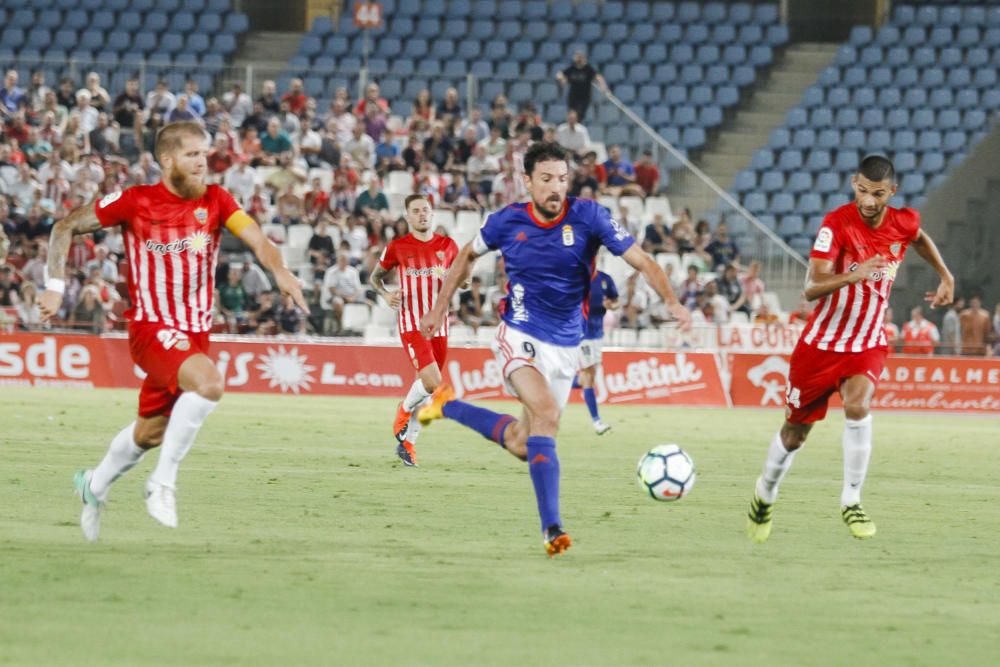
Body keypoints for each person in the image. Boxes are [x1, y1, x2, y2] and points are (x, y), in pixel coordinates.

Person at [416, 142, 691, 557]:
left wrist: (671, 301)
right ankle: (553, 529)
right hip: (518, 333)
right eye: (545, 179)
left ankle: (446, 404)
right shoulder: (505, 222)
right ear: (527, 181)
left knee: (524, 443)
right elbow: (466, 257)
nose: (555, 188)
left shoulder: (590, 217)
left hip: (567, 346)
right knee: (546, 414)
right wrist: (439, 308)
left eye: (562, 179)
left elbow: (643, 261)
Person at [38, 121, 307, 542]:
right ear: (167, 161)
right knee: (210, 384)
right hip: (152, 328)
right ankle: (162, 484)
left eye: (204, 154)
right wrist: (54, 287)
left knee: (149, 432)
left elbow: (258, 240)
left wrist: (281, 270)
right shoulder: (135, 202)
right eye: (192, 155)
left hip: (195, 335)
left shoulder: (217, 200)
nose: (203, 162)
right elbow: (64, 227)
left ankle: (93, 485)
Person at [745, 155, 953, 544]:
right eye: (862, 191)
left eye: (877, 194)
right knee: (794, 435)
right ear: (854, 183)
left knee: (858, 406)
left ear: (892, 192)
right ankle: (765, 493)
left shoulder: (903, 220)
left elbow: (918, 237)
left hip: (868, 342)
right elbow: (810, 287)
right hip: (821, 345)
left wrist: (945, 274)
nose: (869, 201)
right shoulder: (836, 224)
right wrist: (853, 274)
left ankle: (851, 499)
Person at [368, 195, 460, 466]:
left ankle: (409, 443)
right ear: (407, 217)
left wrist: (459, 282)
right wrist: (385, 295)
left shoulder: (448, 246)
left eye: (426, 210)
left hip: (440, 326)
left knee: (430, 391)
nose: (422, 214)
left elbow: (460, 281)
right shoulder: (397, 247)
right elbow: (375, 278)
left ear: (432, 214)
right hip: (412, 325)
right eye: (416, 211)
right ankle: (404, 409)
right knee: (432, 382)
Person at [578, 267, 619, 435]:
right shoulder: (577, 277)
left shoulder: (605, 279)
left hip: (597, 333)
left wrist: (611, 305)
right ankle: (596, 421)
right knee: (589, 374)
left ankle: (559, 381)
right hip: (582, 334)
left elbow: (615, 301)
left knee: (590, 375)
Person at [555, 51, 606, 121]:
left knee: (579, 116)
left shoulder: (588, 69)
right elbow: (559, 74)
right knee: (571, 114)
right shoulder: (572, 68)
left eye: (580, 58)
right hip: (573, 96)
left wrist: (603, 87)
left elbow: (598, 77)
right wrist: (562, 79)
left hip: (584, 98)